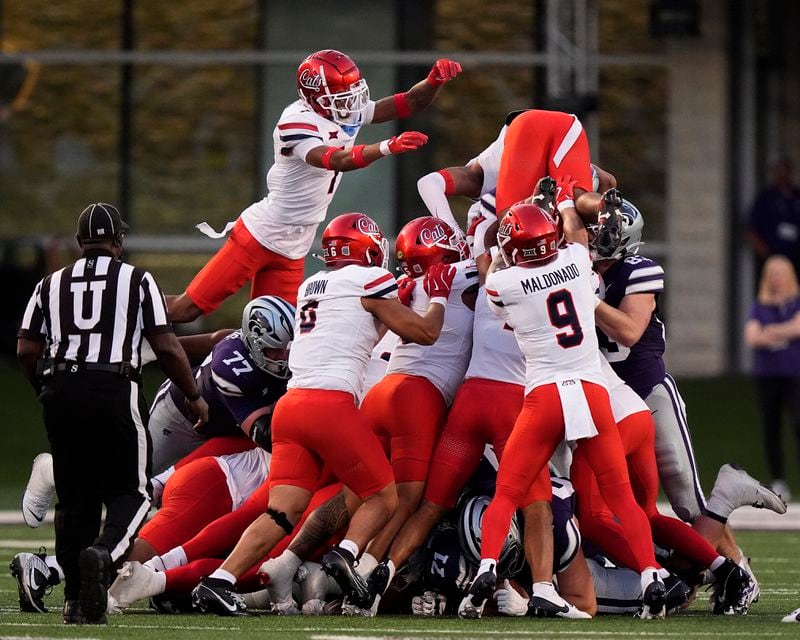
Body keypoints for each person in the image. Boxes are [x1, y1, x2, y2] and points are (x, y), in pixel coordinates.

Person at [189, 212, 457, 616]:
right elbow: (424, 333)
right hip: (328, 405)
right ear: (366, 247)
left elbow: (362, 328)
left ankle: (218, 581)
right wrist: (437, 296)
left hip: (290, 408)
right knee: (384, 496)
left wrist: (394, 302)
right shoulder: (368, 280)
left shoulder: (313, 284)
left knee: (281, 512)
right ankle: (347, 555)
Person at [458, 197, 665, 620]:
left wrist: (502, 248)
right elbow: (573, 231)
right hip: (590, 390)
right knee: (620, 494)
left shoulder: (506, 283)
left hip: (545, 395)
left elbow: (492, 282)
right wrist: (566, 202)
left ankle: (486, 566)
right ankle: (650, 576)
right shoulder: (575, 258)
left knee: (508, 492)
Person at [15, 203, 209, 624]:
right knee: (133, 493)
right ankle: (103, 555)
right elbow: (167, 346)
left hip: (61, 387)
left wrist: (44, 390)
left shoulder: (51, 283)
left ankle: (72, 600)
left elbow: (26, 349)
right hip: (113, 387)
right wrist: (194, 395)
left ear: (80, 242)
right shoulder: (138, 280)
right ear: (118, 241)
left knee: (74, 499)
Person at [167, 51, 461, 320]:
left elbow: (410, 102)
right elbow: (336, 159)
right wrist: (385, 146)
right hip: (261, 233)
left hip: (296, 243)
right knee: (186, 310)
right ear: (316, 97)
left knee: (277, 337)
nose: (351, 102)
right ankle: (128, 307)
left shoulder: (343, 110)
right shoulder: (295, 122)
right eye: (342, 95)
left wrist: (434, 81)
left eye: (352, 93)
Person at [592, 199, 782, 597]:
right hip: (601, 399)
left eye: (603, 232)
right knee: (616, 505)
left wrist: (584, 297)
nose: (595, 237)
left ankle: (738, 570)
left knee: (685, 498)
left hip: (648, 393)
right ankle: (679, 572)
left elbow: (628, 331)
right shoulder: (577, 267)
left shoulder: (638, 271)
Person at [148, 295, 295, 473]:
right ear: (255, 345)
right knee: (140, 479)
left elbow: (216, 338)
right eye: (275, 350)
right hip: (178, 420)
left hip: (225, 427)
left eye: (288, 348)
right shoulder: (232, 368)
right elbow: (266, 436)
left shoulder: (252, 345)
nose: (284, 357)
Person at [744, 254, 800, 501]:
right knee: (771, 428)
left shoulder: (796, 302)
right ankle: (778, 479)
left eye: (780, 273)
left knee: (798, 424)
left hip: (794, 373)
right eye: (772, 273)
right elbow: (752, 337)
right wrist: (784, 333)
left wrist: (770, 332)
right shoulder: (760, 305)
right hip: (767, 374)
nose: (776, 278)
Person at [745, 158, 800, 279]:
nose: (783, 175)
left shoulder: (797, 196)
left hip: (796, 260)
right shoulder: (765, 199)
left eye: (785, 171)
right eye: (779, 171)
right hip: (772, 260)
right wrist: (767, 256)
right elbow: (750, 231)